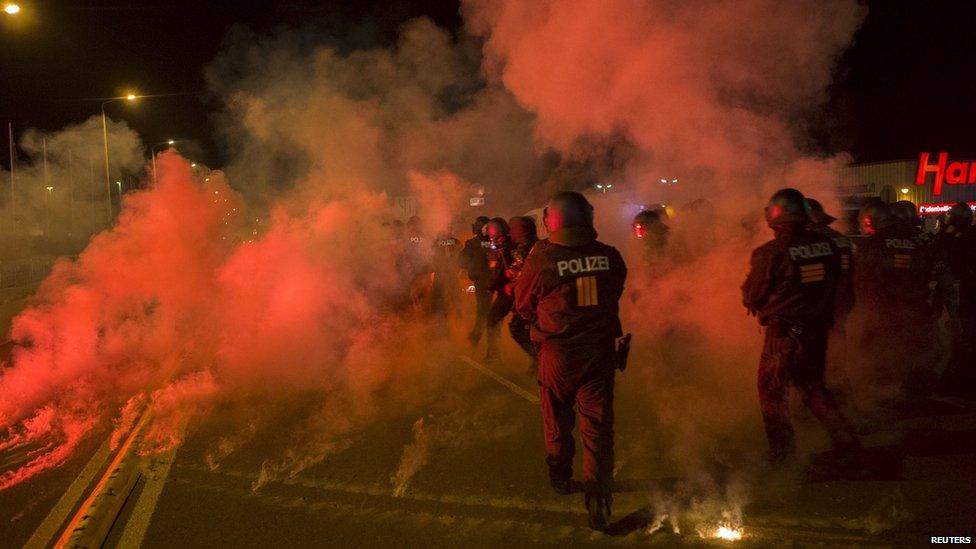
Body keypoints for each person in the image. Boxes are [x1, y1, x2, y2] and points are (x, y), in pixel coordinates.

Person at [514, 192, 627, 531]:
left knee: (557, 420)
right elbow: (616, 290)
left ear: (553, 221)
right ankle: (599, 502)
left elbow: (523, 305)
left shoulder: (543, 259)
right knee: (598, 429)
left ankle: (561, 476)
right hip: (599, 352)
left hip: (559, 354)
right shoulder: (609, 255)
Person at [742, 188, 859, 466]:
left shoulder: (770, 252)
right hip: (817, 330)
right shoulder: (829, 246)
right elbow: (838, 287)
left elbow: (754, 296)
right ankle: (847, 441)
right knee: (813, 389)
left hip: (782, 335)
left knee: (772, 393)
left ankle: (783, 456)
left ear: (776, 216)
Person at [855, 199, 935, 398]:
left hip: (882, 310)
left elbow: (861, 280)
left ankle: (883, 397)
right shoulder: (912, 242)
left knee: (879, 355)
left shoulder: (871, 245)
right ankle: (915, 393)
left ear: (869, 221)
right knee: (908, 353)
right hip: (913, 307)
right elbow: (923, 273)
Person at [932, 203, 976, 395]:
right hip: (966, 289)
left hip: (959, 290)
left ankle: (958, 379)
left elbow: (942, 258)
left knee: (959, 334)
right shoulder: (971, 234)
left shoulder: (952, 236)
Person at [506, 216, 540, 372]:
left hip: (530, 296)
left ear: (523, 231)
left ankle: (539, 358)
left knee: (517, 327)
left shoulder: (527, 249)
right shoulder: (540, 245)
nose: (510, 233)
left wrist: (514, 282)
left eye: (513, 229)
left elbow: (520, 273)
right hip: (536, 295)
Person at [484, 217, 515, 362]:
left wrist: (490, 286)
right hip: (516, 290)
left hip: (508, 292)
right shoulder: (511, 243)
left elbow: (499, 271)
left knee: (492, 320)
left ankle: (494, 354)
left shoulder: (503, 246)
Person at [458, 216, 492, 342]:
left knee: (484, 311)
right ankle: (479, 337)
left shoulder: (472, 243)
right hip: (497, 281)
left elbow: (461, 261)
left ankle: (477, 338)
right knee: (487, 311)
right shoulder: (496, 241)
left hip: (483, 282)